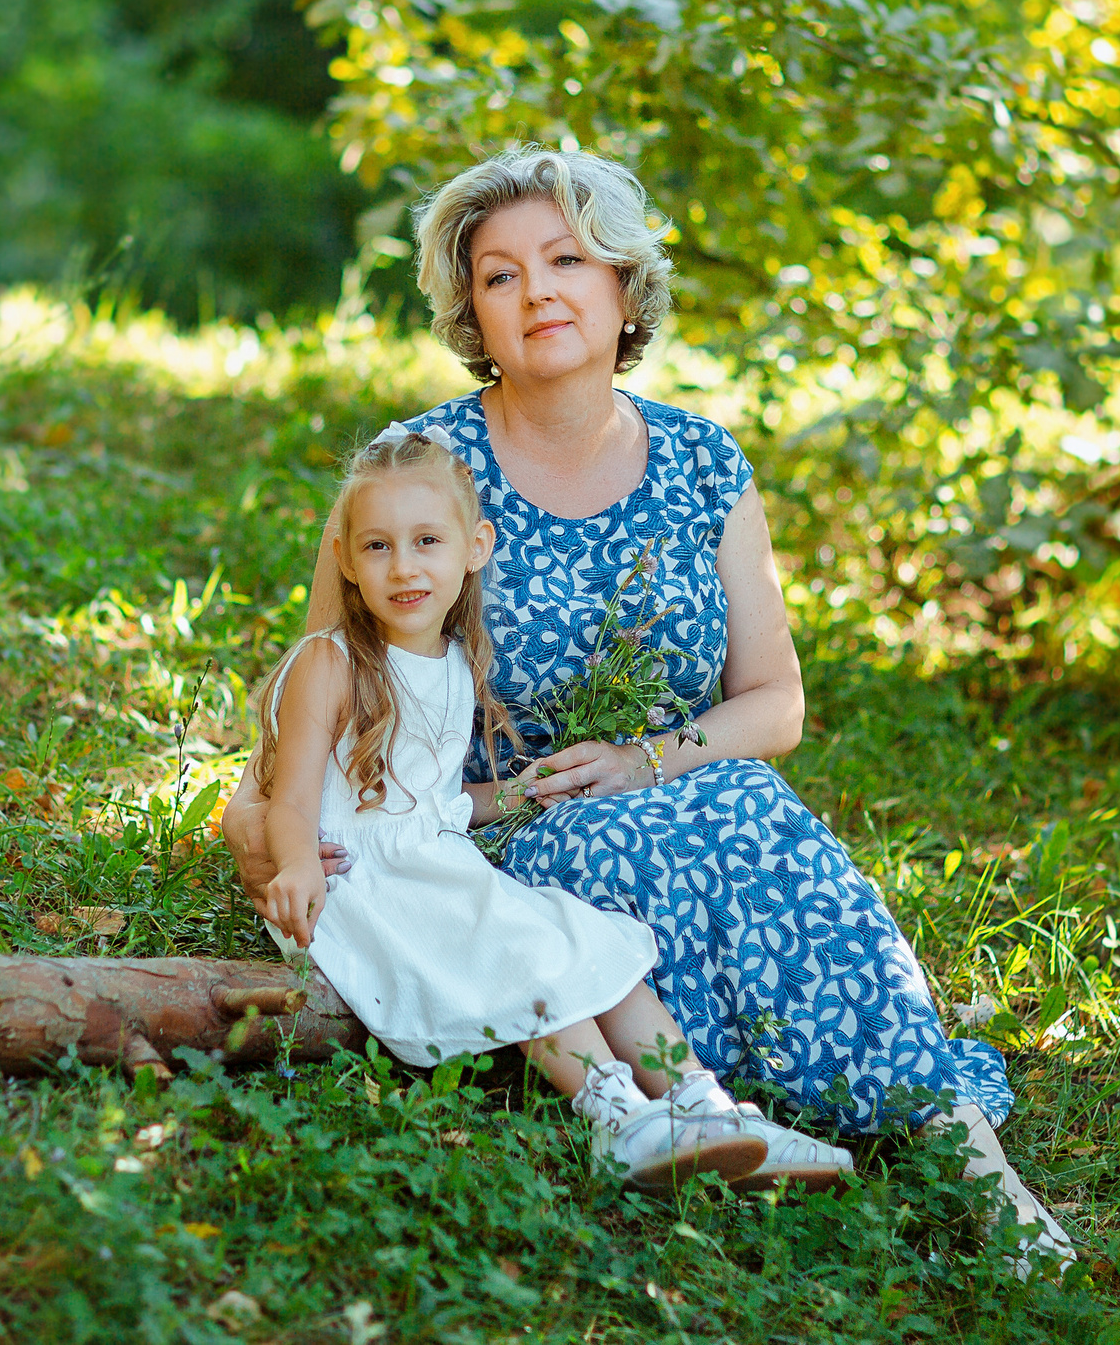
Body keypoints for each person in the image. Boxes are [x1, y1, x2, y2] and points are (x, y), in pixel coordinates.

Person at [227, 143, 1071, 1262]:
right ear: (471, 311)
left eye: (567, 259)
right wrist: (276, 831)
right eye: (498, 274)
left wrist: (650, 757)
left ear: (622, 281)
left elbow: (774, 706)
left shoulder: (700, 462)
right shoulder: (428, 473)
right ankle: (708, 1109)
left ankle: (966, 1154)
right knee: (657, 850)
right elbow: (327, 690)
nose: (536, 292)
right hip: (506, 829)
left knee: (758, 821)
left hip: (689, 785)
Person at [251, 429, 834, 1193]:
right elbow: (291, 797)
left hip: (433, 858)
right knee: (520, 946)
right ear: (346, 558)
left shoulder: (455, 661)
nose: (404, 566)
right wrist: (295, 863)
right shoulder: (333, 662)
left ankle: (705, 1104)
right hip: (361, 883)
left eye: (427, 540)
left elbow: (437, 804)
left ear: (475, 546)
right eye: (378, 546)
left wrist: (523, 790)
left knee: (592, 941)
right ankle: (617, 1115)